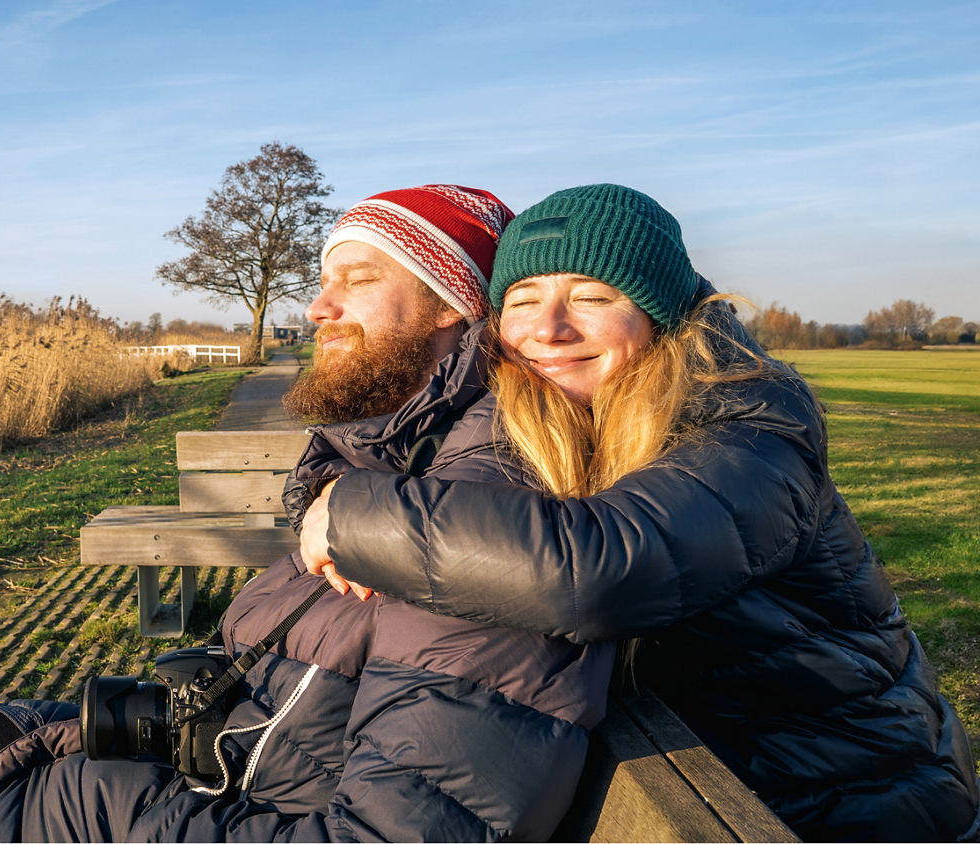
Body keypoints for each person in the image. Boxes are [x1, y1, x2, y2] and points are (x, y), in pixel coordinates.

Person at [0, 185, 612, 842]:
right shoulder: (390, 467)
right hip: (232, 763)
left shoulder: (475, 515)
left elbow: (395, 826)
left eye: (357, 278)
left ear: (455, 306)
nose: (319, 307)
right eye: (322, 280)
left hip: (255, 802)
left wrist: (75, 794)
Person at [300, 183, 980, 841]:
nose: (549, 328)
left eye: (593, 297)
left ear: (658, 316)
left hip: (853, 800)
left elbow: (601, 570)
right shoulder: (570, 418)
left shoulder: (746, 424)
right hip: (720, 774)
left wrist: (353, 514)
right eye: (522, 299)